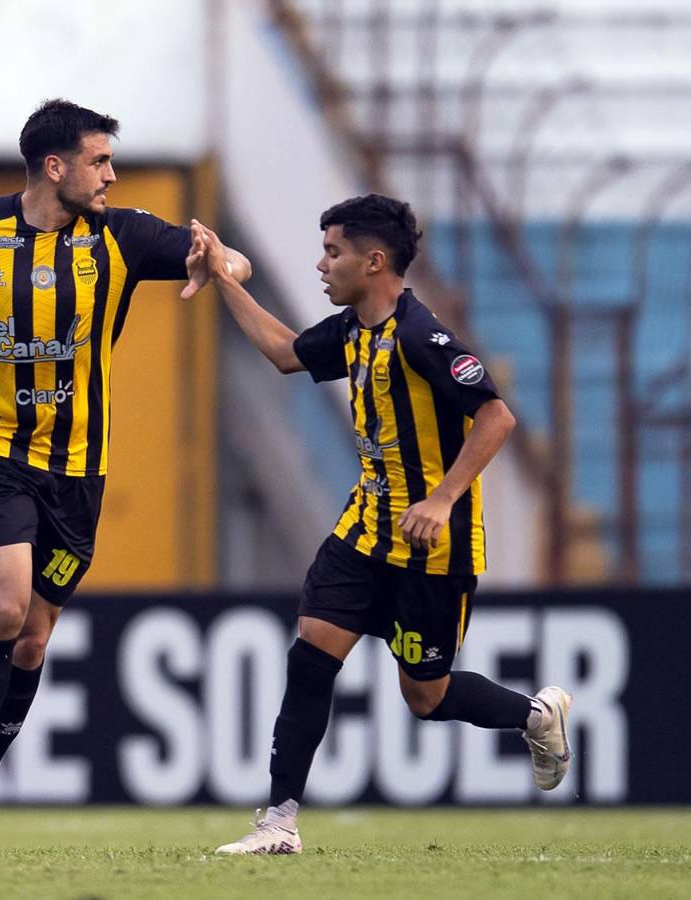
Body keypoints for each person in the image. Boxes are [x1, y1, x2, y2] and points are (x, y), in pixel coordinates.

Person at [0, 98, 250, 855]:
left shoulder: (123, 235)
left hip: (79, 471)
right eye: (99, 161)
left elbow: (230, 261)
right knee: (2, 610)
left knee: (32, 639)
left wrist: (221, 260)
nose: (112, 174)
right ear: (55, 166)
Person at [188, 194, 571, 855]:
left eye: (332, 252)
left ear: (372, 262)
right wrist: (223, 275)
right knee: (310, 655)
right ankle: (279, 822)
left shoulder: (423, 337)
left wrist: (443, 499)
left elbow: (497, 417)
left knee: (426, 696)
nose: (320, 264)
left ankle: (535, 716)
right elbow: (283, 353)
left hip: (431, 549)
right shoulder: (352, 330)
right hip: (364, 532)